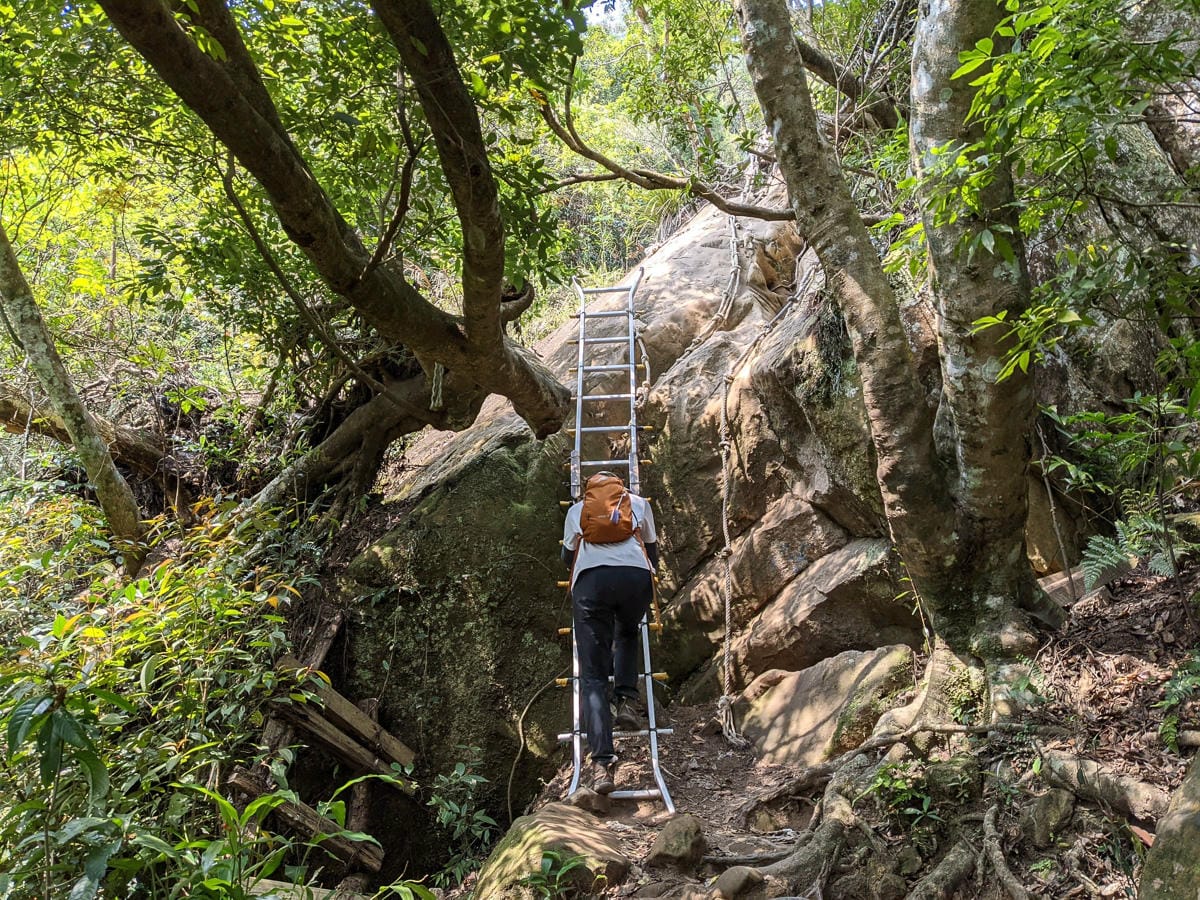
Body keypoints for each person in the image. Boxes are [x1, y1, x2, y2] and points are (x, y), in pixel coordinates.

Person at [561, 472, 659, 795]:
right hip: (635, 578)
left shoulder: (577, 512)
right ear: (620, 488)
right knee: (629, 631)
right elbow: (653, 553)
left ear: (590, 492)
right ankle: (628, 702)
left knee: (592, 676)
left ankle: (602, 764)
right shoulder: (639, 504)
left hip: (591, 585)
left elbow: (566, 559)